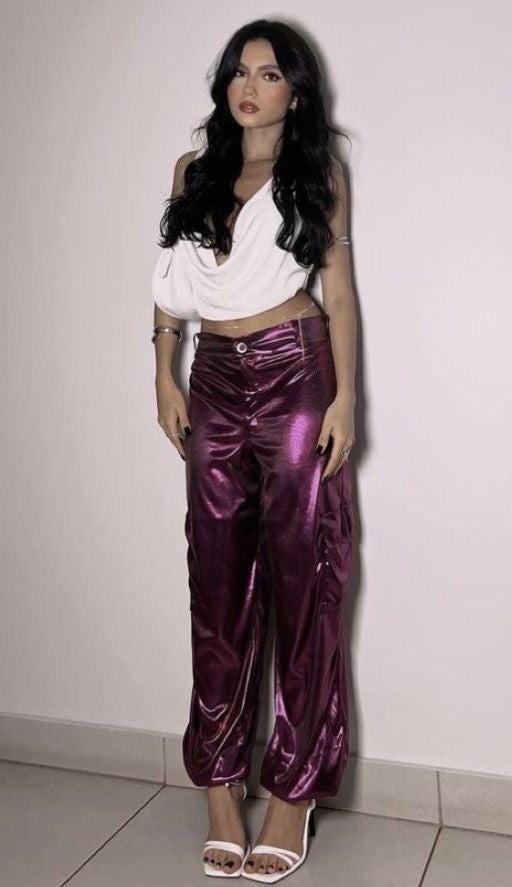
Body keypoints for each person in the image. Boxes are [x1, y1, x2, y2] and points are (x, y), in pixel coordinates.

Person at [151, 18, 356, 883]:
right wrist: (163, 372)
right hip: (213, 377)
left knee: (305, 581)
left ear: (295, 91)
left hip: (297, 371)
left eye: (270, 74)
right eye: (240, 71)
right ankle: (219, 788)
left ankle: (293, 794)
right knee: (216, 582)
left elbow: (338, 290)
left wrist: (347, 395)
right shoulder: (192, 173)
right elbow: (170, 285)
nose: (249, 86)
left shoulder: (318, 175)